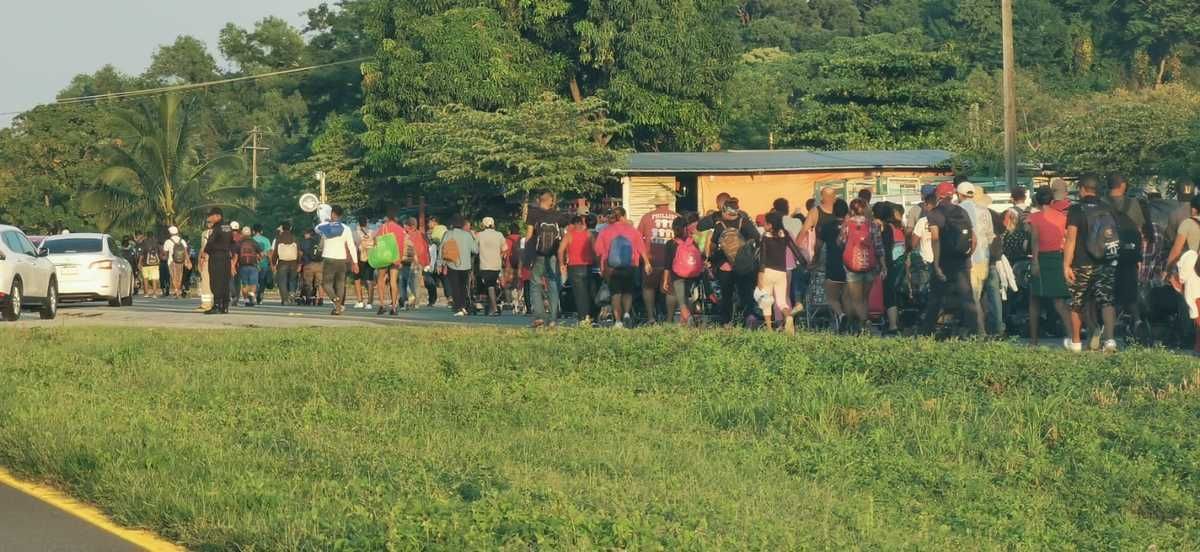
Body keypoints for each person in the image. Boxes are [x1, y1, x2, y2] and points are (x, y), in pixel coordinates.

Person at [920, 182, 983, 336]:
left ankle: (927, 332)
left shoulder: (934, 213)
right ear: (952, 195)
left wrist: (936, 264)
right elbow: (974, 240)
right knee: (967, 299)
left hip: (943, 262)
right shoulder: (962, 212)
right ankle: (975, 333)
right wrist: (967, 255)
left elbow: (935, 239)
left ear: (938, 195)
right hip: (962, 262)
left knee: (935, 298)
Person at [1063, 177, 1118, 352]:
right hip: (1105, 262)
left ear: (1082, 189)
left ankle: (1076, 342)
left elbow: (1071, 239)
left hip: (1082, 263)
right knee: (1106, 301)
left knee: (1077, 302)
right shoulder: (1107, 208)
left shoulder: (1076, 209)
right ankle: (1109, 340)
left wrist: (1066, 264)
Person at [1027, 186, 1072, 347]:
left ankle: (1033, 341)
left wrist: (1035, 262)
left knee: (1035, 300)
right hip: (1058, 257)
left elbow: (1035, 240)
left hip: (1041, 257)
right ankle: (1073, 337)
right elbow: (1067, 237)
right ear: (1052, 201)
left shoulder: (1034, 217)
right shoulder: (1061, 217)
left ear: (1037, 201)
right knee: (1060, 302)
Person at [594, 207, 651, 328]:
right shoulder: (632, 230)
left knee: (616, 294)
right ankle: (626, 314)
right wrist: (647, 263)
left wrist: (602, 268)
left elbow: (598, 251)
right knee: (628, 292)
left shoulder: (605, 231)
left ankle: (618, 321)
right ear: (624, 216)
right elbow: (641, 248)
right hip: (631, 266)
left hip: (611, 268)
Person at [710, 198, 761, 326]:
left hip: (725, 266)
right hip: (743, 265)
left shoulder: (720, 225)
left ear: (725, 210)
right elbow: (757, 238)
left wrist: (714, 257)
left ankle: (727, 322)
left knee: (726, 295)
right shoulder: (745, 222)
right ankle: (748, 317)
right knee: (746, 292)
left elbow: (713, 245)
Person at [838, 198, 882, 334]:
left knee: (856, 299)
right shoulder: (872, 225)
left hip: (852, 266)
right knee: (864, 298)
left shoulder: (847, 224)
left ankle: (863, 323)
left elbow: (840, 242)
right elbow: (879, 247)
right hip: (870, 265)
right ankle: (863, 324)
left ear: (851, 210)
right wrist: (883, 265)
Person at [525, 192, 567, 328]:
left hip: (538, 254)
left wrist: (527, 254)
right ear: (551, 201)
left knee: (535, 283)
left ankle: (539, 317)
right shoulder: (557, 215)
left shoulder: (533, 213)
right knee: (553, 285)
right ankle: (553, 318)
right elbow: (562, 235)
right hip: (553, 255)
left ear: (539, 200)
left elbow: (529, 235)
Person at [638, 190, 680, 323]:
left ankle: (651, 317)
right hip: (672, 261)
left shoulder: (646, 217)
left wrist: (644, 260)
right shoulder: (677, 217)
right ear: (668, 203)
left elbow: (638, 239)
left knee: (648, 287)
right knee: (671, 290)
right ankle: (669, 319)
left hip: (651, 260)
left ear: (656, 203)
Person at [809, 189, 849, 330]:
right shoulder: (852, 226)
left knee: (831, 297)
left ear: (834, 211)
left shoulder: (826, 226)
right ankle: (850, 319)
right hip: (850, 266)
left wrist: (814, 261)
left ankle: (841, 315)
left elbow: (818, 246)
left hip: (833, 265)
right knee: (847, 296)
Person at [958, 182, 993, 336]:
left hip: (970, 258)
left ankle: (979, 332)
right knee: (980, 296)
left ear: (959, 194)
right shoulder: (985, 211)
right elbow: (990, 236)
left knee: (972, 298)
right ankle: (986, 328)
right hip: (984, 258)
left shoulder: (960, 210)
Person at [759, 211, 802, 334]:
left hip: (768, 271)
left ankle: (769, 329)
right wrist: (805, 264)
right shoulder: (785, 234)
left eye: (765, 223)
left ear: (770, 225)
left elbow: (763, 258)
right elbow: (796, 251)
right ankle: (788, 316)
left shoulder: (765, 237)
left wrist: (760, 274)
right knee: (782, 301)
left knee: (766, 301)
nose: (764, 226)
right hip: (781, 272)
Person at [318, 205, 359, 315]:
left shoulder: (325, 227)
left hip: (329, 258)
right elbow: (351, 246)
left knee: (326, 284)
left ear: (332, 214)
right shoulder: (346, 228)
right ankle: (338, 307)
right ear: (341, 215)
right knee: (340, 284)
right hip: (341, 259)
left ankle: (335, 301)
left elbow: (318, 232)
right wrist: (355, 262)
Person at [876, 202, 908, 335]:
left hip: (884, 264)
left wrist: (883, 265)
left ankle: (891, 325)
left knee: (886, 294)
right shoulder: (895, 227)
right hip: (895, 263)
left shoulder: (882, 228)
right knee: (891, 293)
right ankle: (894, 323)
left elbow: (881, 248)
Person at [662, 216, 701, 326]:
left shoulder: (671, 243)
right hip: (692, 275)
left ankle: (688, 319)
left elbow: (667, 265)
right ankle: (684, 323)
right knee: (687, 298)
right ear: (685, 228)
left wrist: (665, 280)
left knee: (681, 301)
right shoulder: (693, 242)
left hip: (677, 276)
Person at [559, 215, 595, 325]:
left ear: (573, 224)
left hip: (574, 267)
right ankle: (590, 315)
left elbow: (560, 250)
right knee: (588, 292)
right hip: (588, 266)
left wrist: (562, 264)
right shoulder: (589, 234)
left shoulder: (569, 235)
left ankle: (582, 317)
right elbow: (595, 249)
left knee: (579, 294)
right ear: (582, 223)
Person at [441, 216, 478, 317]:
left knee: (455, 287)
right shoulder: (467, 235)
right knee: (463, 286)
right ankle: (463, 306)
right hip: (466, 265)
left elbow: (442, 248)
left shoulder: (448, 234)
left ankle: (458, 307)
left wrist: (440, 263)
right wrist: (474, 238)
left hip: (452, 263)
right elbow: (475, 250)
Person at [372, 210, 406, 315]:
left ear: (388, 217)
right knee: (393, 281)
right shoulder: (400, 229)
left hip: (384, 256)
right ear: (396, 218)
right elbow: (402, 244)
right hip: (395, 257)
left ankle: (382, 305)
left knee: (380, 279)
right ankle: (394, 307)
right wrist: (399, 259)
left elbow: (376, 240)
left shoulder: (383, 227)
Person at [202, 208, 236, 315]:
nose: (209, 218)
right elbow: (232, 243)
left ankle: (216, 305)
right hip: (226, 257)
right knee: (225, 281)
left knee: (216, 281)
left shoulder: (216, 228)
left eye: (211, 216)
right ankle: (225, 306)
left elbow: (210, 242)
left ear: (217, 216)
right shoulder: (228, 227)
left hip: (216, 257)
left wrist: (204, 252)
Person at [476, 216, 508, 316]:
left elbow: (475, 249)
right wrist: (499, 256)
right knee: (491, 284)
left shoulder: (479, 235)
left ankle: (494, 308)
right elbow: (505, 249)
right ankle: (491, 308)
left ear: (483, 225)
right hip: (496, 265)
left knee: (489, 285)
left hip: (484, 264)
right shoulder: (499, 234)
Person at [402, 218, 430, 309]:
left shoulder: (409, 235)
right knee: (415, 283)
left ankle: (411, 301)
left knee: (407, 282)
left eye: (406, 226)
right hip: (419, 262)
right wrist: (426, 263)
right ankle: (416, 303)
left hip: (411, 261)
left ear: (411, 226)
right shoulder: (421, 235)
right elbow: (425, 249)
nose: (404, 227)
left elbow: (417, 250)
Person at [272, 223, 300, 306]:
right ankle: (292, 295)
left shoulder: (279, 238)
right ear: (290, 228)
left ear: (282, 228)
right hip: (293, 263)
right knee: (292, 280)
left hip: (282, 263)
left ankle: (285, 300)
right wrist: (299, 263)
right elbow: (298, 252)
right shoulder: (295, 238)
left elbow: (275, 252)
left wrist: (274, 263)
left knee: (282, 281)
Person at [352, 219, 376, 310]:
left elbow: (353, 245)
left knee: (357, 279)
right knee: (370, 279)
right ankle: (369, 302)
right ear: (366, 223)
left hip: (359, 258)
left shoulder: (355, 233)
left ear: (359, 223)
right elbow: (376, 244)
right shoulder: (372, 232)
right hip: (371, 258)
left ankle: (360, 301)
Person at [162, 226, 190, 299]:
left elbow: (165, 253)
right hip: (181, 261)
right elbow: (186, 252)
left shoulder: (168, 241)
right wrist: (188, 261)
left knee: (173, 276)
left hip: (171, 261)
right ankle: (178, 290)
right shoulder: (182, 240)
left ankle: (176, 290)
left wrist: (166, 257)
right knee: (179, 276)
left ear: (170, 233)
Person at [236, 227, 262, 306]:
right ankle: (251, 295)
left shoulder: (239, 243)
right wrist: (259, 260)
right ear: (250, 233)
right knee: (253, 283)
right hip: (253, 266)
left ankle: (246, 300)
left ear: (242, 233)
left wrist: (234, 265)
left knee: (245, 284)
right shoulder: (254, 242)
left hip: (242, 266)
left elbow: (236, 255)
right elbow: (261, 253)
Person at [298, 228, 324, 306]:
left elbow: (300, 254)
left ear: (308, 234)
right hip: (319, 265)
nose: (304, 235)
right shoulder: (319, 241)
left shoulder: (304, 242)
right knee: (319, 283)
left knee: (308, 283)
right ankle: (321, 299)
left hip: (308, 265)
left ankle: (308, 299)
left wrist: (299, 264)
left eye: (305, 233)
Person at [251, 225, 272, 305]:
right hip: (264, 264)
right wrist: (271, 263)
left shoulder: (251, 240)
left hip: (253, 264)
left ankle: (253, 296)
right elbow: (269, 253)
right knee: (262, 281)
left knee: (254, 281)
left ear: (253, 231)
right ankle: (260, 297)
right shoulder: (266, 240)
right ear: (261, 231)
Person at [138, 233, 163, 299]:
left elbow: (141, 254)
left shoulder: (144, 242)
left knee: (145, 278)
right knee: (154, 279)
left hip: (145, 264)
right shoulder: (156, 242)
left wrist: (139, 263)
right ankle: (154, 294)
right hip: (155, 264)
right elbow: (160, 252)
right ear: (153, 236)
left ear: (147, 236)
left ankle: (146, 293)